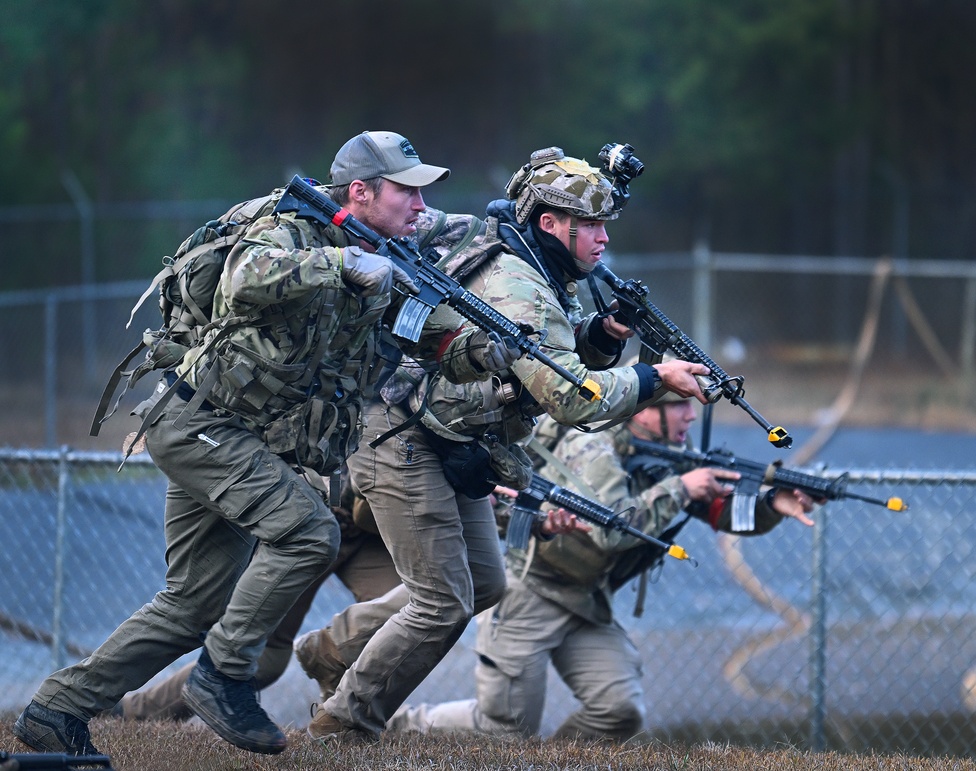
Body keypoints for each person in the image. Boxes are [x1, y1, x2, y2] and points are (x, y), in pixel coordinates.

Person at [12, 130, 513, 757]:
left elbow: (434, 341)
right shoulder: (290, 228)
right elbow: (246, 279)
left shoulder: (392, 259)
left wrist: (489, 352)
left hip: (236, 436)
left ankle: (56, 710)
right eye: (407, 192)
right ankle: (223, 677)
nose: (420, 206)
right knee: (308, 532)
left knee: (192, 603)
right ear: (360, 192)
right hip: (199, 423)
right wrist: (342, 265)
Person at [298, 145, 713, 744]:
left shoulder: (546, 270)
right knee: (441, 602)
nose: (602, 240)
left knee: (485, 585)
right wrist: (656, 379)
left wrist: (602, 332)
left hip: (454, 437)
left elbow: (553, 361)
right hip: (400, 434)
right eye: (590, 226)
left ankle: (330, 654)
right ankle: (344, 725)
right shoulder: (522, 286)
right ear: (550, 224)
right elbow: (574, 399)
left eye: (604, 225)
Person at [383, 388, 818, 741]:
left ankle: (561, 763)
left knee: (619, 711)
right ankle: (395, 727)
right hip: (530, 592)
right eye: (679, 404)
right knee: (504, 729)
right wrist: (683, 489)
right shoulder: (592, 446)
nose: (690, 416)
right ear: (644, 410)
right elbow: (613, 527)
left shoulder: (667, 453)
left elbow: (724, 515)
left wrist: (770, 504)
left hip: (586, 603)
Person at [109, 478, 400, 722]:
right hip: (311, 526)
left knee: (410, 621)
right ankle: (136, 712)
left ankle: (348, 720)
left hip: (369, 534)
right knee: (264, 658)